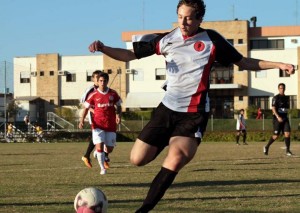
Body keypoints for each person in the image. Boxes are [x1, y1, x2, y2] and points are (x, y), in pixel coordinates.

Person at [88, 0, 295, 211]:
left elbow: (244, 62)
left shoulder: (212, 40)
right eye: (179, 17)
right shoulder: (167, 39)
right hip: (167, 110)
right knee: (137, 159)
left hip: (193, 114)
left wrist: (278, 64)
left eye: (188, 18)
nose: (183, 22)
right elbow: (130, 55)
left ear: (199, 19)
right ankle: (168, 141)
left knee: (176, 158)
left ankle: (143, 209)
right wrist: (104, 48)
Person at [79, 72, 122, 175]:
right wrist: (81, 120)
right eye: (100, 81)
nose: (102, 83)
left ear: (107, 81)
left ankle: (97, 153)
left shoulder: (113, 94)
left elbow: (119, 106)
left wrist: (118, 115)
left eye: (104, 81)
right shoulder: (93, 94)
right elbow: (86, 107)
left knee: (110, 149)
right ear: (98, 82)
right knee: (99, 146)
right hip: (97, 124)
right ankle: (102, 168)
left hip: (110, 124)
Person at [80, 70, 110, 169]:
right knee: (100, 137)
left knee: (104, 137)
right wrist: (82, 119)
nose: (99, 80)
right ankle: (102, 157)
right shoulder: (90, 90)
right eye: (97, 78)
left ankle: (91, 155)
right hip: (95, 117)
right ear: (93, 79)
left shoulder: (106, 89)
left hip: (106, 117)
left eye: (100, 77)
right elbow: (85, 105)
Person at [264, 83, 293, 156]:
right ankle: (266, 147)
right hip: (277, 119)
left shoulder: (287, 98)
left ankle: (287, 150)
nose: (281, 89)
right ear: (278, 89)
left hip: (285, 118)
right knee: (276, 136)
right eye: (280, 88)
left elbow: (286, 108)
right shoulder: (276, 98)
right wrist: (278, 116)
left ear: (284, 89)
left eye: (283, 88)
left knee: (287, 134)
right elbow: (273, 108)